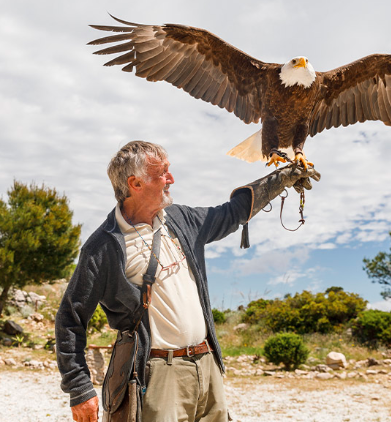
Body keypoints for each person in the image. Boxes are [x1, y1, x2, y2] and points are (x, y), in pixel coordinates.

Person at [55, 140, 317, 422]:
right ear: (136, 183)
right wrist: (80, 388)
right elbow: (70, 318)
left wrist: (282, 178)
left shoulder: (180, 219)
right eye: (162, 173)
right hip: (157, 375)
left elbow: (232, 213)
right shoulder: (104, 245)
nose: (171, 179)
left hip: (207, 365)